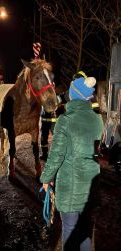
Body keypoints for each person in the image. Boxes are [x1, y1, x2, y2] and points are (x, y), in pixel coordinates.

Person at [40, 76, 104, 251]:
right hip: (90, 184)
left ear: (74, 94)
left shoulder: (65, 120)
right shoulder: (98, 120)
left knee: (69, 229)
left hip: (71, 186)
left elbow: (56, 155)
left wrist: (46, 178)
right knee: (85, 230)